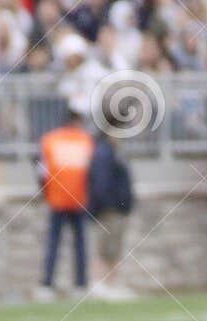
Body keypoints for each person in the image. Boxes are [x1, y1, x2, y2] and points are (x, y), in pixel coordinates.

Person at [34, 106, 93, 300]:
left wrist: (45, 193)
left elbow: (41, 170)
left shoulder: (50, 140)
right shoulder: (86, 141)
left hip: (57, 199)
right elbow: (92, 171)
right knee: (80, 244)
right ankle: (80, 284)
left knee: (53, 243)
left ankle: (47, 284)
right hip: (79, 199)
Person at [86, 124, 134, 300]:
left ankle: (113, 284)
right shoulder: (103, 153)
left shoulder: (116, 152)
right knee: (105, 248)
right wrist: (105, 205)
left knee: (115, 249)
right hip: (109, 209)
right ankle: (99, 283)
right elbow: (100, 183)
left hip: (118, 208)